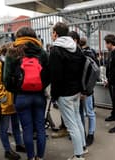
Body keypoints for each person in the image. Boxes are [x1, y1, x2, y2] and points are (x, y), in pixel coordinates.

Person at [6, 27, 49, 160]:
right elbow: (48, 75)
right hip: (39, 96)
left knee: (27, 128)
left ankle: (30, 157)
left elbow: (6, 79)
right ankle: (40, 157)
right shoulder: (41, 52)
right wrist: (41, 87)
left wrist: (17, 90)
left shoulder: (12, 51)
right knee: (41, 128)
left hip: (21, 96)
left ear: (18, 37)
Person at [50, 22, 87, 160]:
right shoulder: (76, 48)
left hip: (64, 93)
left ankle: (78, 156)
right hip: (76, 91)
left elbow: (55, 76)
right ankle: (83, 147)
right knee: (77, 120)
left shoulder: (56, 50)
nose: (51, 35)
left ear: (56, 33)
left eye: (52, 32)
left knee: (71, 125)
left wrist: (54, 96)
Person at [0, 43, 26, 160]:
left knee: (16, 124)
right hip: (5, 102)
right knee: (4, 128)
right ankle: (7, 150)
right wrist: (3, 97)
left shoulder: (11, 63)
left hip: (13, 100)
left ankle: (19, 144)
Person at [79, 37, 97, 146]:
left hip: (85, 89)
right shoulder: (92, 53)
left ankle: (90, 134)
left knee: (87, 112)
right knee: (88, 112)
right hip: (88, 88)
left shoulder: (84, 55)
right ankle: (90, 133)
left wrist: (85, 90)